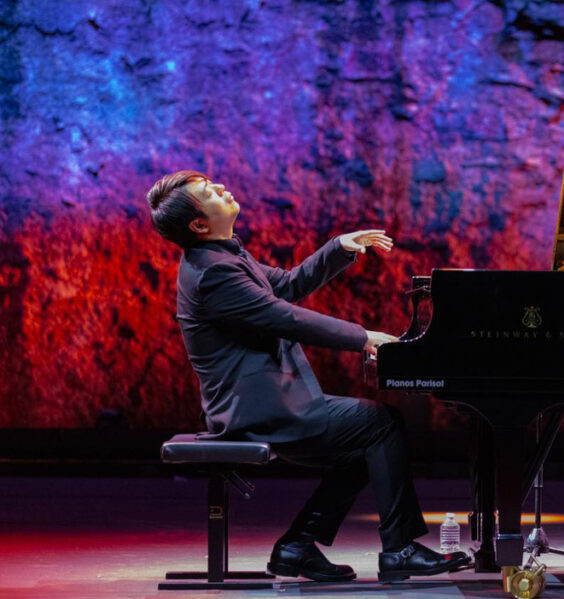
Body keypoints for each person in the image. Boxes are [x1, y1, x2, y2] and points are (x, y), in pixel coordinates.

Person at [146, 170, 470, 582]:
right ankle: (399, 549)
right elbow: (284, 317)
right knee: (380, 423)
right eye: (209, 192)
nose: (222, 188)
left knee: (363, 445)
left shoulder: (225, 256)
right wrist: (363, 337)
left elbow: (288, 285)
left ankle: (297, 547)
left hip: (269, 402)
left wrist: (338, 248)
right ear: (199, 224)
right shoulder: (213, 273)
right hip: (257, 410)